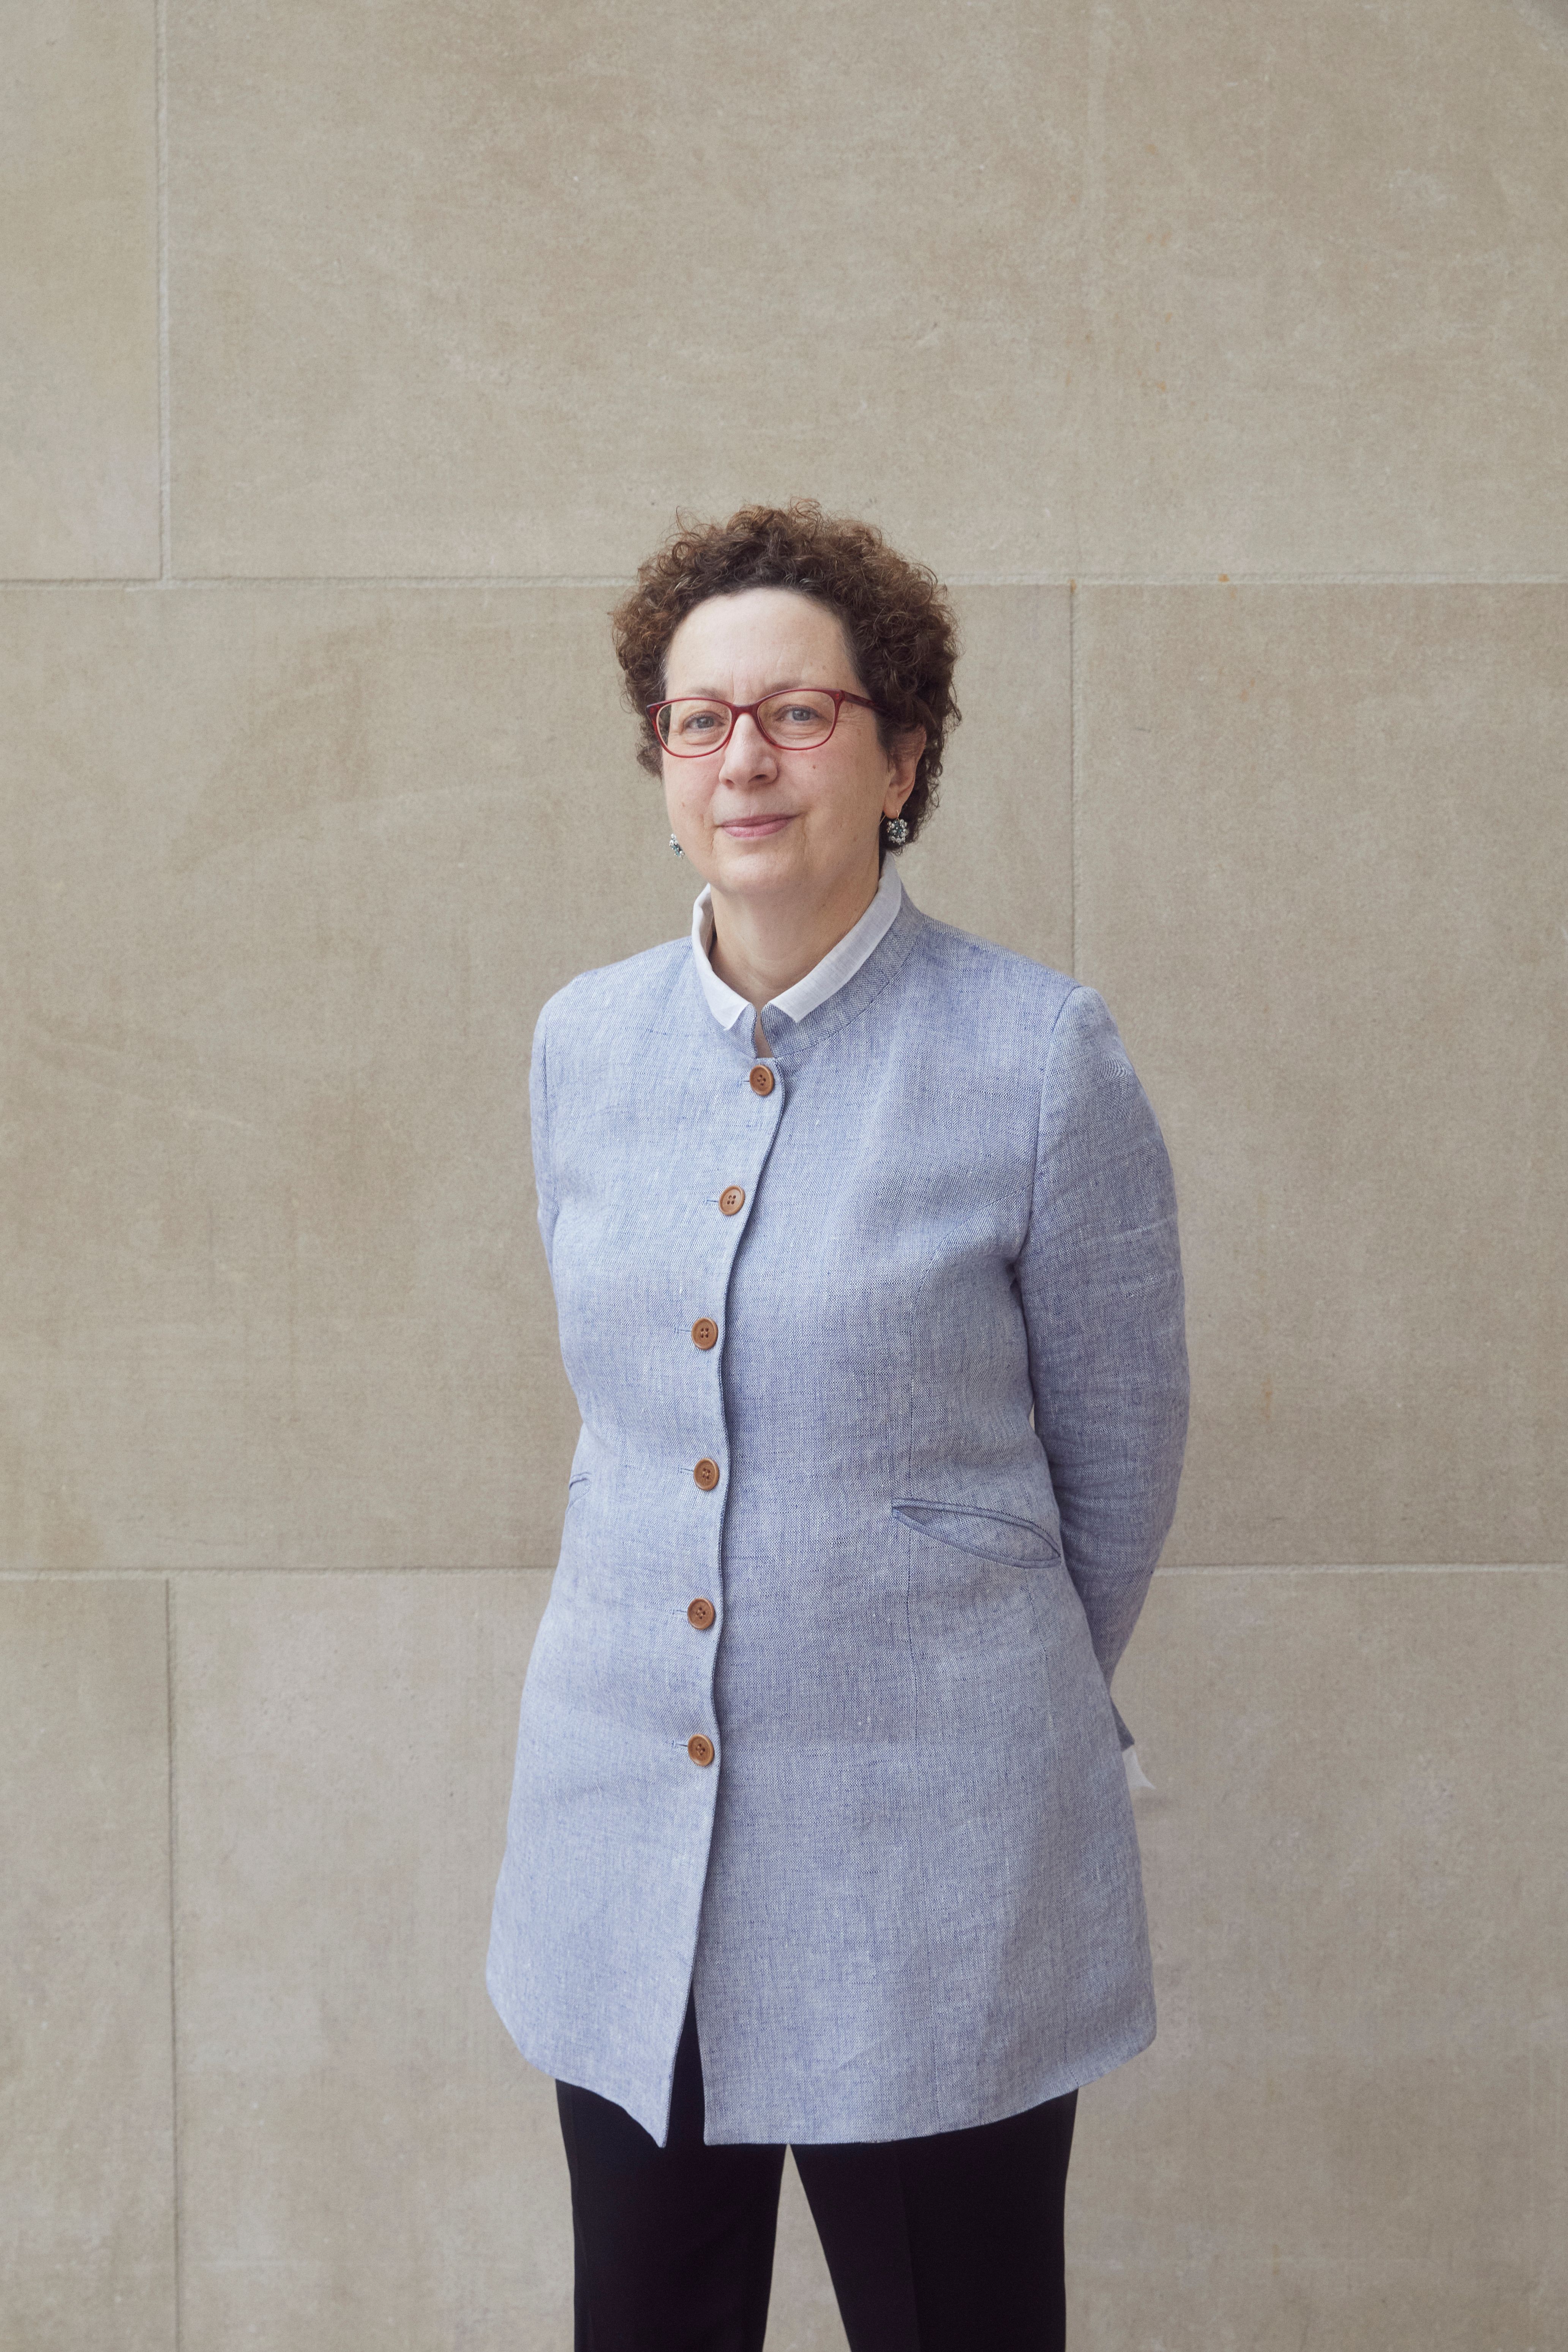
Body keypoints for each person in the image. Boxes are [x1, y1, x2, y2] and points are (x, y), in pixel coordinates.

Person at [487, 501, 1189, 2351]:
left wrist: (950, 1682)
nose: (744, 757)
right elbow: (619, 1428)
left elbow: (1114, 1470)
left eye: (799, 714)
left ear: (903, 755)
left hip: (931, 1858)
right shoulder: (582, 1043)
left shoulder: (1039, 1058)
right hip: (628, 1838)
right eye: (699, 717)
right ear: (656, 760)